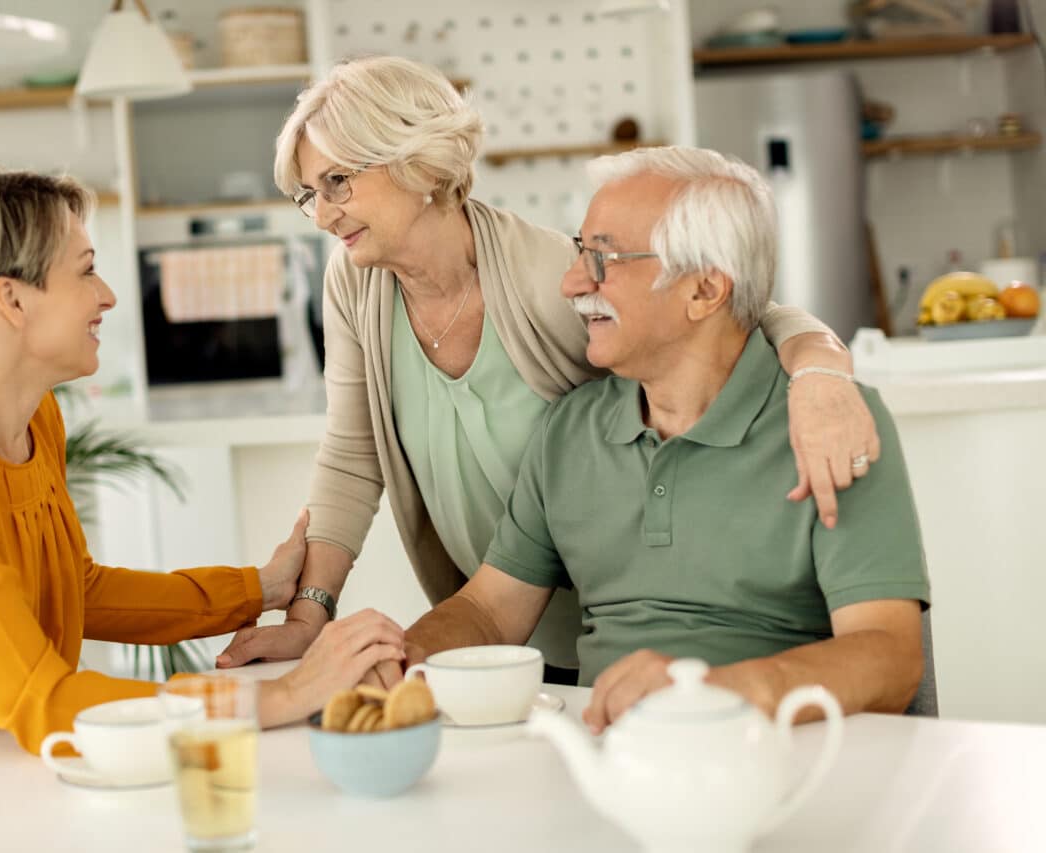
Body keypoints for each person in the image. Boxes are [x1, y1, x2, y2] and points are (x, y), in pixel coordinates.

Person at [217, 56, 883, 685]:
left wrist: (822, 371)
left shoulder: (544, 276)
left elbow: (730, 309)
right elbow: (352, 453)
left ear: (416, 163)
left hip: (612, 633)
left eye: (339, 180)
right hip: (483, 625)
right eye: (310, 193)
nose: (324, 213)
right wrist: (309, 616)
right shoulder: (355, 282)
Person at [0, 168, 405, 783]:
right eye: (86, 270)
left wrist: (257, 590)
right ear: (11, 300)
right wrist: (283, 695)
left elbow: (78, 588)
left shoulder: (35, 417)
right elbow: (39, 699)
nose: (107, 295)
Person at [397, 146, 930, 729]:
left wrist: (706, 695)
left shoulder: (830, 423)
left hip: (778, 759)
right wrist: (398, 658)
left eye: (604, 258)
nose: (573, 283)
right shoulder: (569, 429)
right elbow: (490, 612)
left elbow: (889, 658)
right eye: (580, 253)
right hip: (606, 760)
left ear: (704, 290)